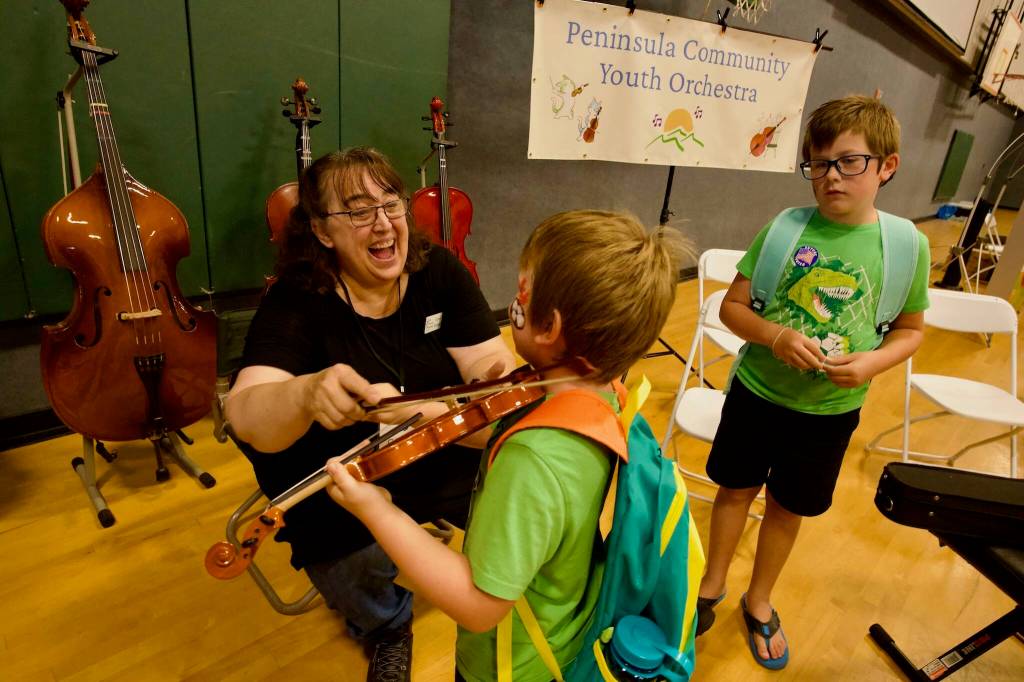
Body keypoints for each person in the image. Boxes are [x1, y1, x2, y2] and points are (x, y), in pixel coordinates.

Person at [323, 210, 690, 681]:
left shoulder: (534, 460)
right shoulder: (599, 391)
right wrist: (407, 409)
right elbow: (494, 419)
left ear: (549, 327)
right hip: (562, 621)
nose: (514, 298)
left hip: (509, 664)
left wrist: (377, 509)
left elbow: (478, 605)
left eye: (524, 287)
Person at [224, 147, 515, 682]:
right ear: (322, 231)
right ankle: (386, 626)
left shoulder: (438, 272)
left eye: (391, 204)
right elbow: (245, 414)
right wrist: (307, 394)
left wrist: (488, 383)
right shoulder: (297, 300)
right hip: (336, 473)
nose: (383, 224)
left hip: (432, 446)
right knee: (347, 553)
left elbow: (488, 364)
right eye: (358, 211)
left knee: (510, 478)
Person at [694, 95, 930, 669]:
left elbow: (910, 331)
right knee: (734, 490)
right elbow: (732, 309)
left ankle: (760, 598)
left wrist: (871, 363)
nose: (830, 177)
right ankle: (710, 588)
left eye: (849, 162)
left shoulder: (907, 246)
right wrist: (774, 337)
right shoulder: (785, 228)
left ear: (887, 166)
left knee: (787, 508)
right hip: (757, 394)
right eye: (818, 163)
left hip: (828, 413)